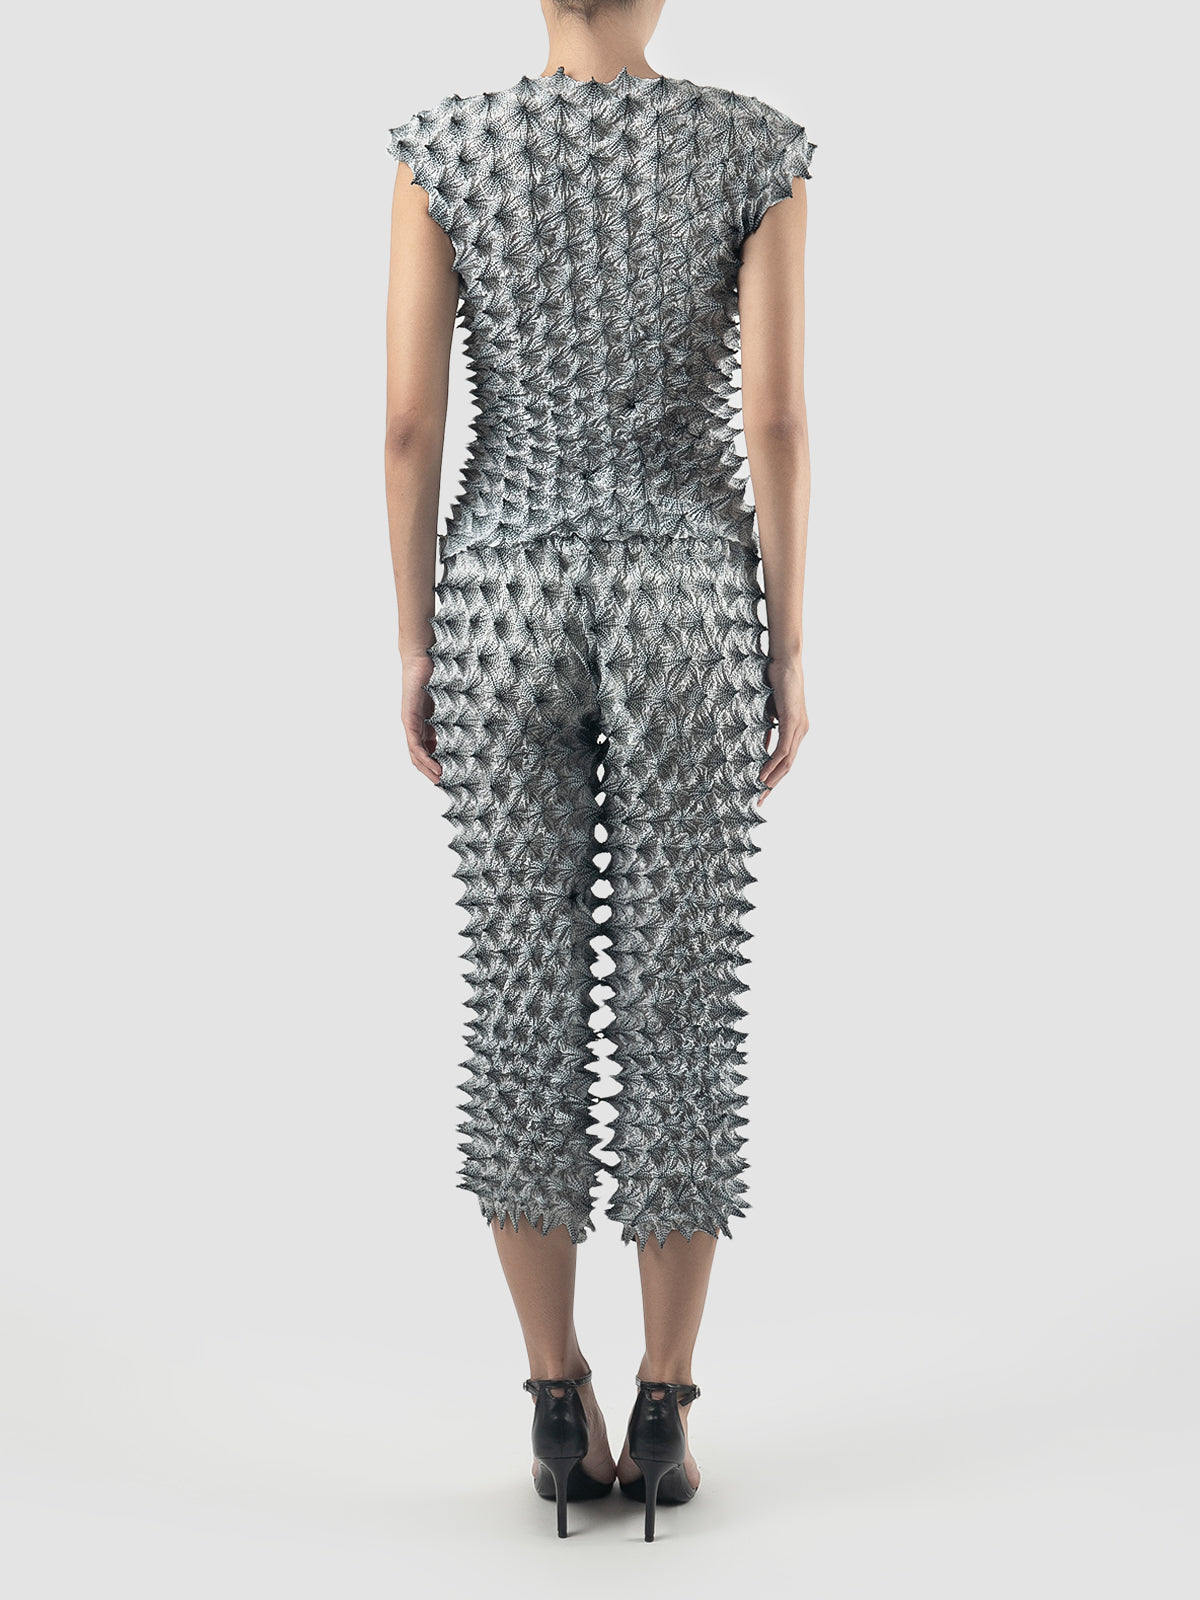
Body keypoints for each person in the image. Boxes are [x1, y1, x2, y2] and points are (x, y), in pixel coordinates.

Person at [383, 0, 814, 1541]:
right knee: (683, 995)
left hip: (501, 595)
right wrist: (787, 647)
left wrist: (417, 640)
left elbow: (409, 424)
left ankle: (556, 1399)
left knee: (524, 998)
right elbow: (775, 418)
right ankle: (667, 1400)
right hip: (686, 597)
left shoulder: (448, 150)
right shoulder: (751, 149)